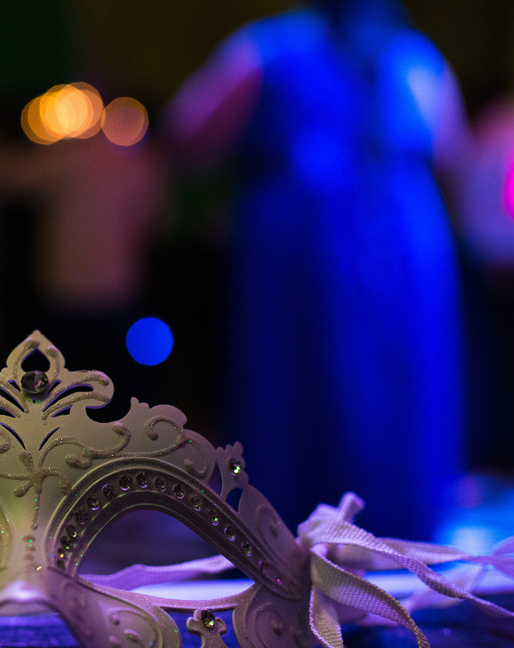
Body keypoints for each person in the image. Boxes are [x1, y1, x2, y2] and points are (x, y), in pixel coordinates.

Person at [164, 0, 467, 540]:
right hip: (366, 233)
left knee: (339, 381)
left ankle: (311, 534)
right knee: (328, 378)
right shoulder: (413, 58)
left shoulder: (269, 50)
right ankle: (389, 531)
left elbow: (188, 138)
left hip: (326, 231)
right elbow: (453, 153)